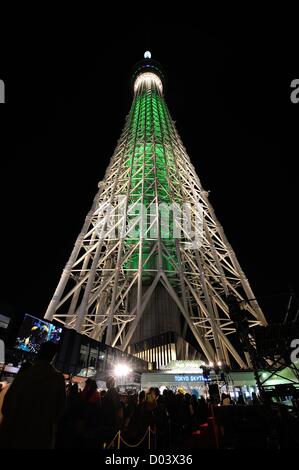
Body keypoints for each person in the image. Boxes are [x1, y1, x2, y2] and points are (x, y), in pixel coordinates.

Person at [0, 342, 66, 449]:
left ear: (39, 353)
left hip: (16, 434)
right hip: (41, 436)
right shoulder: (58, 379)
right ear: (53, 356)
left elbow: (7, 406)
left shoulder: (24, 376)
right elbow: (60, 410)